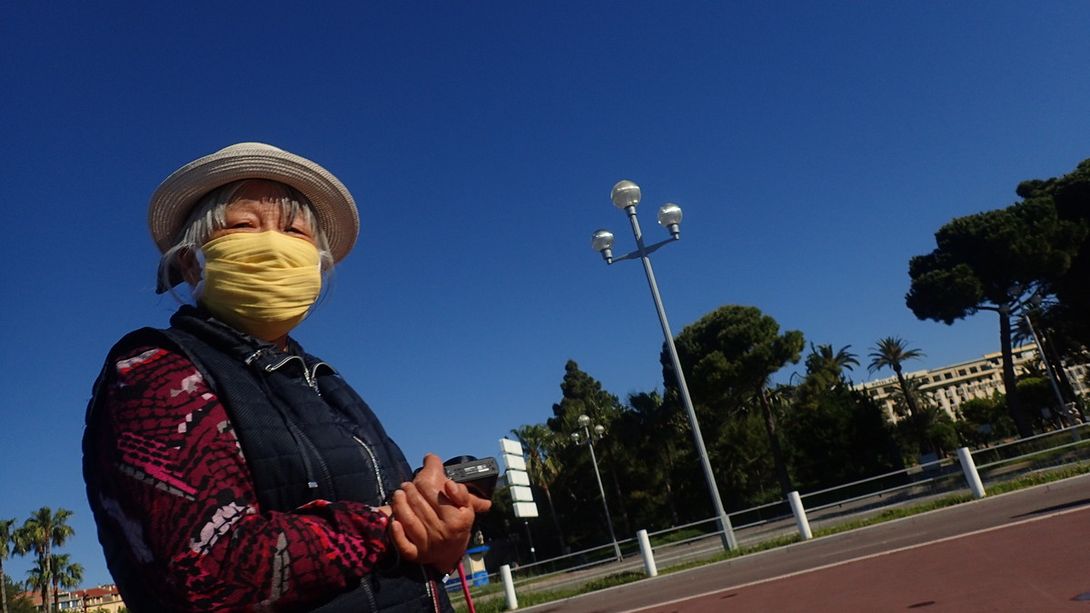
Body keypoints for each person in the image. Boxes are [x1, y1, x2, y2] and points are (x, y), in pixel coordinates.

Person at [83, 142, 490, 612]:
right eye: (243, 225)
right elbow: (204, 571)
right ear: (192, 260)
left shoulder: (320, 380)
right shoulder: (153, 373)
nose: (274, 244)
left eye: (295, 230)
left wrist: (439, 511)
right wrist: (398, 526)